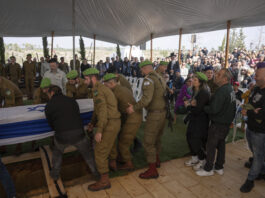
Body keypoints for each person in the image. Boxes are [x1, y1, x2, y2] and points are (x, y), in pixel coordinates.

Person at [45, 85, 98, 181]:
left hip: (62, 136)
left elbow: (51, 124)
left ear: (52, 93)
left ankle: (55, 174)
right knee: (88, 154)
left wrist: (58, 130)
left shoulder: (49, 105)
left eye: (48, 93)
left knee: (57, 152)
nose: (48, 95)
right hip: (79, 134)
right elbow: (77, 115)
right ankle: (96, 173)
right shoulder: (72, 101)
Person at [126, 60, 167, 179]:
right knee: (157, 139)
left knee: (149, 141)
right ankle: (157, 160)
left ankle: (152, 170)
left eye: (142, 69)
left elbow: (146, 99)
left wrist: (134, 107)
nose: (141, 72)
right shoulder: (159, 77)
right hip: (163, 112)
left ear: (145, 69)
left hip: (155, 114)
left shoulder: (148, 80)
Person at [83, 68, 121, 191]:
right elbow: (97, 109)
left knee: (100, 151)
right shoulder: (97, 89)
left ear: (93, 78)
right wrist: (92, 123)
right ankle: (112, 165)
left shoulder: (99, 90)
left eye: (86, 79)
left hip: (110, 123)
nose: (84, 81)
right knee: (109, 146)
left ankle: (104, 181)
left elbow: (103, 111)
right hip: (112, 121)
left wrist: (99, 131)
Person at [196, 68, 236, 176]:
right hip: (225, 123)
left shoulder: (222, 90)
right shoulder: (230, 88)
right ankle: (219, 166)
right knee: (221, 144)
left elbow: (214, 109)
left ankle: (208, 169)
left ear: (224, 79)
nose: (215, 76)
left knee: (211, 145)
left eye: (218, 75)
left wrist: (203, 107)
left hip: (218, 123)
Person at [103, 73, 142, 171]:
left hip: (133, 118)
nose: (105, 86)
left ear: (111, 83)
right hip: (131, 116)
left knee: (123, 142)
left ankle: (129, 163)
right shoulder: (121, 88)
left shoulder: (116, 92)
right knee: (122, 138)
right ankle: (122, 158)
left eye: (106, 84)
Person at [240, 62, 265, 193]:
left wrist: (250, 112)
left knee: (258, 155)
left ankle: (250, 180)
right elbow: (250, 103)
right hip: (251, 126)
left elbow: (262, 114)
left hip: (261, 131)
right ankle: (262, 170)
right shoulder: (256, 88)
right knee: (255, 152)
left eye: (258, 74)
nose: (255, 76)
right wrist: (252, 111)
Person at [184, 72, 210, 171]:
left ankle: (202, 159)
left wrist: (189, 106)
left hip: (201, 120)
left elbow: (198, 109)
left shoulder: (204, 92)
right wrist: (191, 104)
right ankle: (195, 158)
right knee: (189, 136)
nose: (192, 81)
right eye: (193, 79)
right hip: (195, 118)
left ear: (200, 82)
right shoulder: (196, 90)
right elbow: (195, 106)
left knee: (196, 140)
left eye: (195, 80)